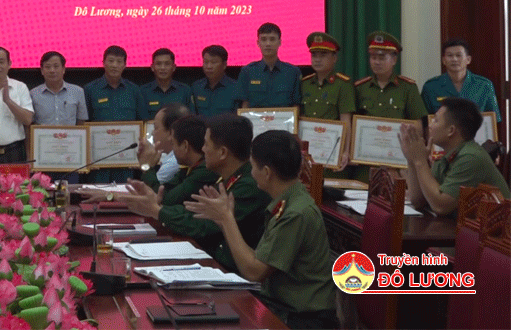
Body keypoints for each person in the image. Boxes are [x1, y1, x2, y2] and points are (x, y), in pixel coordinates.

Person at [185, 130, 338, 329]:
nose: (251, 172)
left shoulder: (295, 213)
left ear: (266, 172)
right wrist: (223, 221)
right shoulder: (288, 200)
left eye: (252, 166)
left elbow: (254, 271)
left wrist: (227, 219)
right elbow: (259, 260)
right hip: (280, 307)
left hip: (302, 319)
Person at [115, 114, 270, 272]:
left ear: (223, 153)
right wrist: (157, 208)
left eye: (206, 144)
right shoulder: (226, 178)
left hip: (231, 270)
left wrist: (157, 211)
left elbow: (202, 224)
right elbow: (190, 209)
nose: (203, 149)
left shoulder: (247, 186)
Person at [398, 97, 509, 216]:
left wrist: (420, 161)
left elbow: (440, 206)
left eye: (436, 120)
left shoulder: (471, 157)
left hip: (499, 227)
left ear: (451, 130)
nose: (430, 125)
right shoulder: (446, 156)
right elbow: (418, 201)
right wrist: (412, 159)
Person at [84, 46, 148, 182]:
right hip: (98, 160)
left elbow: (143, 123)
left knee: (125, 192)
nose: (114, 65)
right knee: (97, 192)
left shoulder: (134, 90)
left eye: (119, 62)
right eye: (111, 61)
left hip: (127, 159)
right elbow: (83, 124)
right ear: (103, 63)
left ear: (125, 65)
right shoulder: (90, 89)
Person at [299, 32, 355, 170]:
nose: (317, 60)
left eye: (323, 55)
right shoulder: (305, 84)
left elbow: (346, 120)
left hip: (333, 152)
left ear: (334, 58)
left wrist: (346, 151)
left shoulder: (343, 84)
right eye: (314, 55)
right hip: (308, 154)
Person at [30, 51, 87, 182]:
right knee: (44, 192)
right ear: (42, 70)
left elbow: (81, 123)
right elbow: (30, 126)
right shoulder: (33, 94)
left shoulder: (78, 92)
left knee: (70, 191)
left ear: (63, 69)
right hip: (44, 157)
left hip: (70, 156)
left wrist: (81, 155)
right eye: (48, 67)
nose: (52, 70)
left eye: (56, 66)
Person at [421, 39, 501, 123]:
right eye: (450, 55)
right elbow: (424, 121)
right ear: (444, 60)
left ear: (468, 59)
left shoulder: (484, 85)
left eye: (458, 55)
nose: (454, 59)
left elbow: (493, 119)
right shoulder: (431, 87)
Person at [354, 31, 427, 120]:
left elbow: (418, 123)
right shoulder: (360, 88)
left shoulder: (408, 88)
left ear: (394, 60)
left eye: (382, 58)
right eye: (373, 57)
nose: (377, 62)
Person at [237, 23, 301, 109]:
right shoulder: (247, 72)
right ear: (258, 43)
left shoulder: (292, 72)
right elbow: (244, 105)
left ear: (280, 42)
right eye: (263, 39)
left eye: (272, 39)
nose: (268, 44)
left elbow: (296, 105)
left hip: (284, 118)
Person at [140, 48, 193, 118]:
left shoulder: (185, 91)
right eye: (158, 64)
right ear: (152, 67)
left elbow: (191, 118)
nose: (162, 68)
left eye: (167, 64)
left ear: (173, 67)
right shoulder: (143, 92)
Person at [191, 45, 238, 117]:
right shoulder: (196, 87)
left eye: (213, 62)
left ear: (224, 65)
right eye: (206, 62)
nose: (209, 66)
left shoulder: (236, 88)